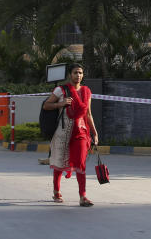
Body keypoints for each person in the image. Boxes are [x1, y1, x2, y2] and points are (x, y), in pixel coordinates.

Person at [44, 63, 99, 207]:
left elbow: (88, 113)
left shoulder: (87, 91)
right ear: (70, 75)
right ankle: (56, 191)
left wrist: (94, 132)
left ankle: (83, 196)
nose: (78, 75)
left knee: (81, 162)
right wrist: (60, 104)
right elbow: (46, 105)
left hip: (80, 132)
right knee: (59, 162)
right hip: (63, 131)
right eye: (75, 72)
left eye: (80, 72)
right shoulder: (61, 90)